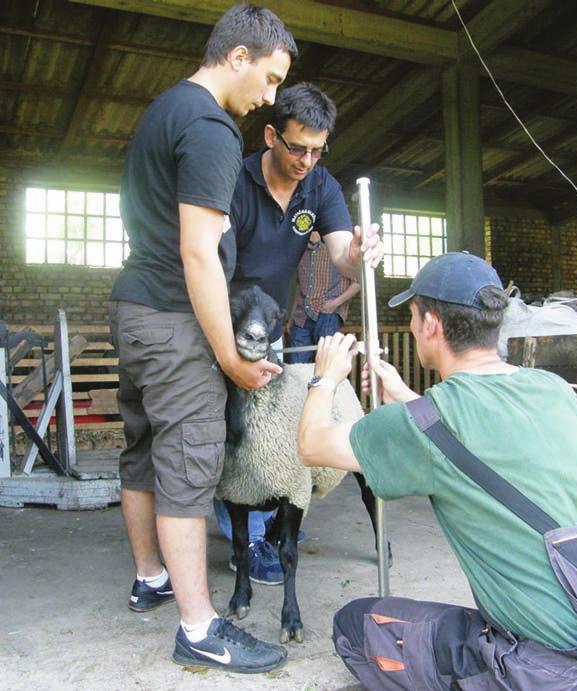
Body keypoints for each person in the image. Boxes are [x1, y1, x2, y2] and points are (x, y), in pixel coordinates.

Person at [297, 251, 577, 689]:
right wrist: (410, 400)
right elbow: (485, 438)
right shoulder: (554, 389)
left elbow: (311, 446)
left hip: (551, 673)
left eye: (412, 315)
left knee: (355, 625)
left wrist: (325, 377)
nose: (412, 326)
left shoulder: (431, 423)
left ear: (431, 324)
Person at [109, 5, 298, 674]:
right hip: (172, 319)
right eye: (270, 78)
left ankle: (150, 576)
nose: (269, 97)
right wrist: (228, 355)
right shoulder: (213, 129)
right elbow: (198, 253)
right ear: (238, 56)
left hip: (132, 307)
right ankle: (199, 627)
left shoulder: (164, 110)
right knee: (190, 464)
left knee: (142, 451)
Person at [212, 81, 382, 585]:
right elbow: (208, 266)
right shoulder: (234, 182)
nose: (307, 159)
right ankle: (243, 541)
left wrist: (360, 252)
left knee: (272, 428)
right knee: (231, 430)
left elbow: (340, 255)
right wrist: (224, 346)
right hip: (227, 320)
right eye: (297, 147)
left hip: (274, 325)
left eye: (317, 148)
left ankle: (269, 525)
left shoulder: (321, 187)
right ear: (270, 135)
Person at [288, 230, 360, 364]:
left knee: (326, 364)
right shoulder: (300, 252)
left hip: (328, 314)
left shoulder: (336, 251)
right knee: (297, 366)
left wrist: (335, 303)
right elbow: (300, 286)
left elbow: (358, 282)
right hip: (301, 315)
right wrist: (292, 315)